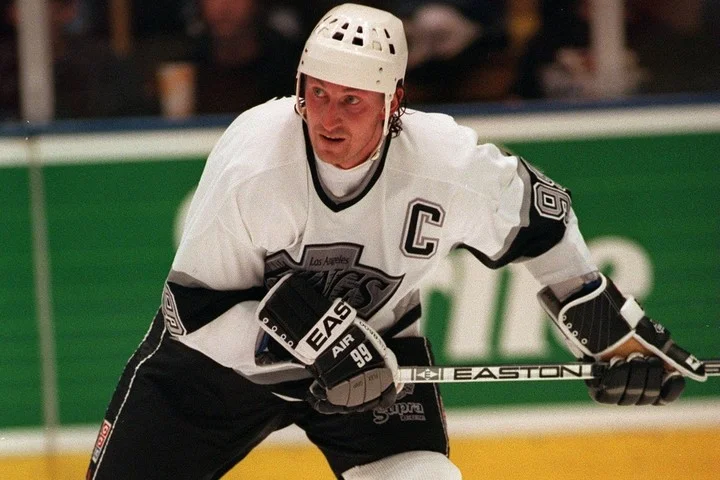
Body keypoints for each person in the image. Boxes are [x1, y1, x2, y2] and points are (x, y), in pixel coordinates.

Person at [86, 4, 707, 479]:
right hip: (215, 376)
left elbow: (543, 222)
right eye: (317, 93)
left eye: (352, 101)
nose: (329, 117)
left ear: (395, 103)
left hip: (378, 361)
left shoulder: (444, 163)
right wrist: (324, 345)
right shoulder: (254, 161)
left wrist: (612, 336)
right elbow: (193, 314)